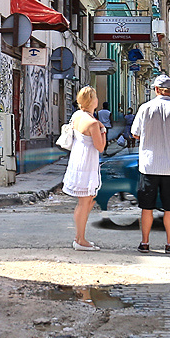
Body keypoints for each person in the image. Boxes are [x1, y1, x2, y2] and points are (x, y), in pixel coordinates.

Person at [130, 74, 170, 253]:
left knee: (146, 207)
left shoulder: (145, 108)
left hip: (149, 166)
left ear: (156, 90)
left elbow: (135, 134)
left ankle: (144, 243)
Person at [61, 86, 106, 250]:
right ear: (92, 101)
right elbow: (100, 147)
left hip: (77, 160)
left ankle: (79, 237)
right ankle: (80, 239)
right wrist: (103, 131)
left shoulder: (77, 116)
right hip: (87, 163)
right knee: (85, 202)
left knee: (85, 201)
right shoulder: (93, 123)